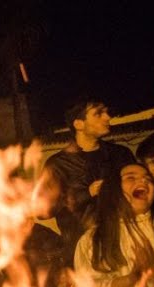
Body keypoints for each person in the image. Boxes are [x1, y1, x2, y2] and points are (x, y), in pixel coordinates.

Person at [43, 99, 137, 249]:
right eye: (98, 113)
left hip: (124, 242)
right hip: (82, 247)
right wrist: (86, 193)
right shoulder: (58, 164)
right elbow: (43, 211)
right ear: (78, 124)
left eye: (106, 112)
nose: (107, 117)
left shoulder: (120, 154)